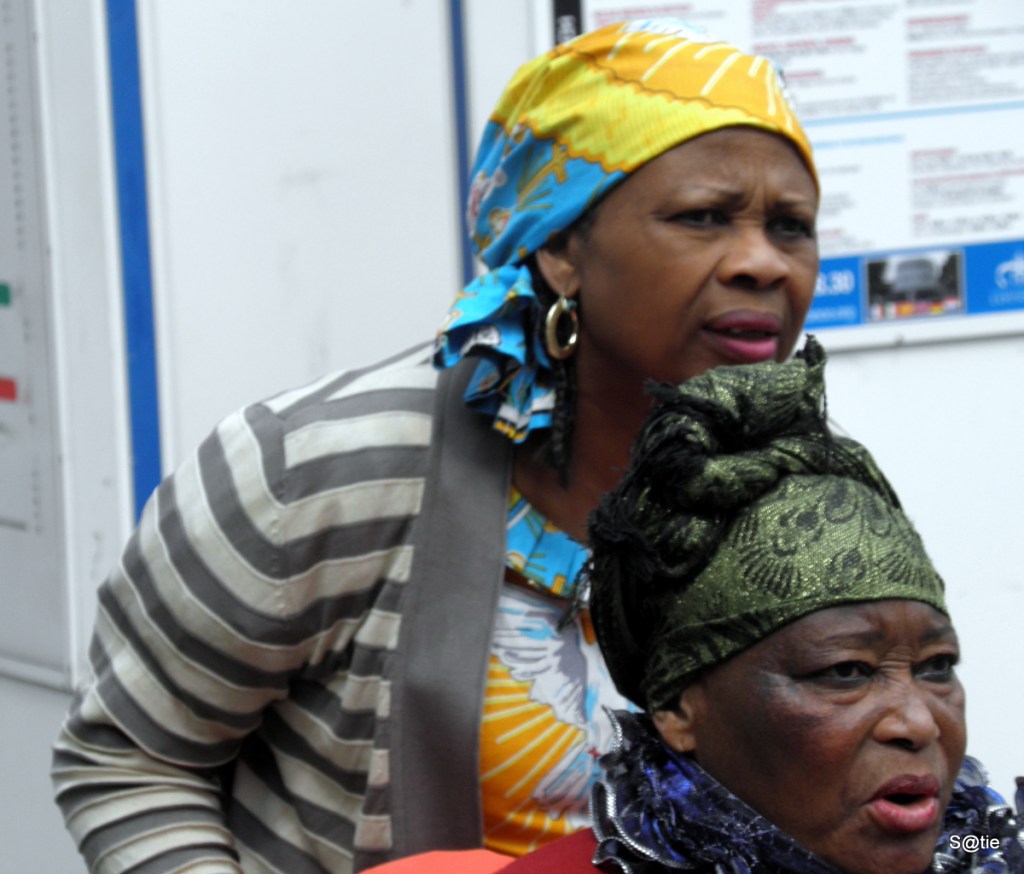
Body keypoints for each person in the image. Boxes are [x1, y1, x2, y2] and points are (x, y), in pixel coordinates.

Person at [52, 18, 821, 874]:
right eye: (705, 217)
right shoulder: (313, 468)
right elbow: (128, 758)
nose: (763, 263)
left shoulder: (793, 488)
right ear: (562, 247)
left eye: (791, 227)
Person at [538, 337, 1022, 872]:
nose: (919, 723)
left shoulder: (983, 849)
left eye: (937, 667)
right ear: (677, 706)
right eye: (846, 672)